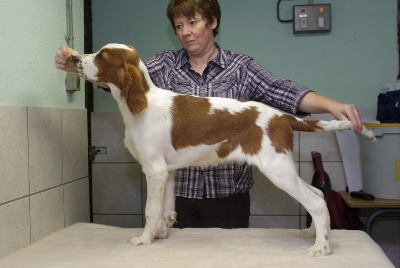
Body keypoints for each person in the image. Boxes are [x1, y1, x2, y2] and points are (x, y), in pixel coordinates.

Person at [55, 0, 363, 229]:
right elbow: (122, 81)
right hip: (181, 199)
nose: (186, 33)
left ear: (212, 22)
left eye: (193, 23)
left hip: (228, 197)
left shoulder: (241, 67)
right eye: (179, 26)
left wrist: (330, 105)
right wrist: (78, 66)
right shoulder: (162, 65)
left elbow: (281, 90)